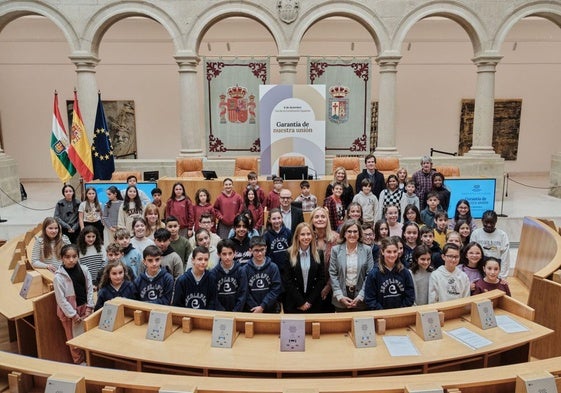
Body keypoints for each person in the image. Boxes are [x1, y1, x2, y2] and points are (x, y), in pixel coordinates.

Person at [53, 244, 94, 364]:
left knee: (87, 337)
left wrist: (89, 307)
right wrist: (73, 315)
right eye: (67, 257)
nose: (71, 260)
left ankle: (89, 361)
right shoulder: (58, 277)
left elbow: (90, 289)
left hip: (84, 308)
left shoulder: (85, 270)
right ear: (62, 258)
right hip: (69, 313)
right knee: (73, 340)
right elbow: (61, 300)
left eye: (74, 256)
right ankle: (79, 362)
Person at [329, 219, 374, 311]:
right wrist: (340, 296)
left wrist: (361, 295)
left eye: (355, 231)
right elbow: (333, 274)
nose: (352, 234)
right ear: (344, 233)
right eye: (349, 231)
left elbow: (369, 275)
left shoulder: (367, 250)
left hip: (361, 297)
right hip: (340, 296)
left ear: (359, 233)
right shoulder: (335, 250)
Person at [282, 222, 324, 313]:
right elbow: (287, 280)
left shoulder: (319, 254)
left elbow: (321, 279)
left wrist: (309, 302)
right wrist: (301, 302)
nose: (306, 237)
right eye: (302, 234)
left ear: (312, 236)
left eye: (308, 234)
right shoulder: (289, 254)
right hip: (294, 303)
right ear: (297, 236)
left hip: (313, 303)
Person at [364, 237, 415, 310]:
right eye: (389, 252)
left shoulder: (405, 272)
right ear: (382, 252)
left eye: (395, 251)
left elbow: (410, 297)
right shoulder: (374, 274)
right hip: (381, 315)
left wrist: (401, 310)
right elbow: (370, 299)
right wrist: (383, 312)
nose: (392, 255)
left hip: (401, 314)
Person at [309, 206, 339, 313]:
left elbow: (339, 267)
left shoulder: (336, 238)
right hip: (310, 288)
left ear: (327, 220)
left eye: (323, 216)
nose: (320, 219)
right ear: (312, 220)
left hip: (332, 286)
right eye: (316, 217)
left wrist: (328, 286)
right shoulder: (307, 238)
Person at [244, 236, 282, 313]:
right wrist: (255, 307)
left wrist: (262, 306)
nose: (260, 253)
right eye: (256, 250)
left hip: (270, 308)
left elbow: (276, 289)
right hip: (252, 310)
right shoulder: (245, 269)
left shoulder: (273, 267)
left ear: (266, 248)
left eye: (262, 249)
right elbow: (244, 291)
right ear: (250, 251)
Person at [470, 210, 511, 279]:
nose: (489, 225)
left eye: (492, 222)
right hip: (480, 268)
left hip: (495, 269)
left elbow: (505, 257)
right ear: (482, 220)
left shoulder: (502, 235)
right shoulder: (476, 234)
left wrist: (502, 276)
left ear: (496, 222)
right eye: (486, 222)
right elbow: (472, 254)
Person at [211, 239, 248, 312]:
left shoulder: (241, 271)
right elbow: (213, 296)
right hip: (219, 313)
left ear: (234, 253)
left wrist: (236, 311)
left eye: (230, 253)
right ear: (219, 254)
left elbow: (243, 293)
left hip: (237, 312)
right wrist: (222, 311)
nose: (227, 257)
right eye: (224, 254)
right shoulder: (213, 273)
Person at [263, 208, 291, 275]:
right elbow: (265, 253)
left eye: (279, 218)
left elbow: (292, 249)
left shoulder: (288, 232)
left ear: (282, 218)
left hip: (287, 268)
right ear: (269, 220)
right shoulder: (266, 235)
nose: (277, 221)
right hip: (272, 269)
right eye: (274, 219)